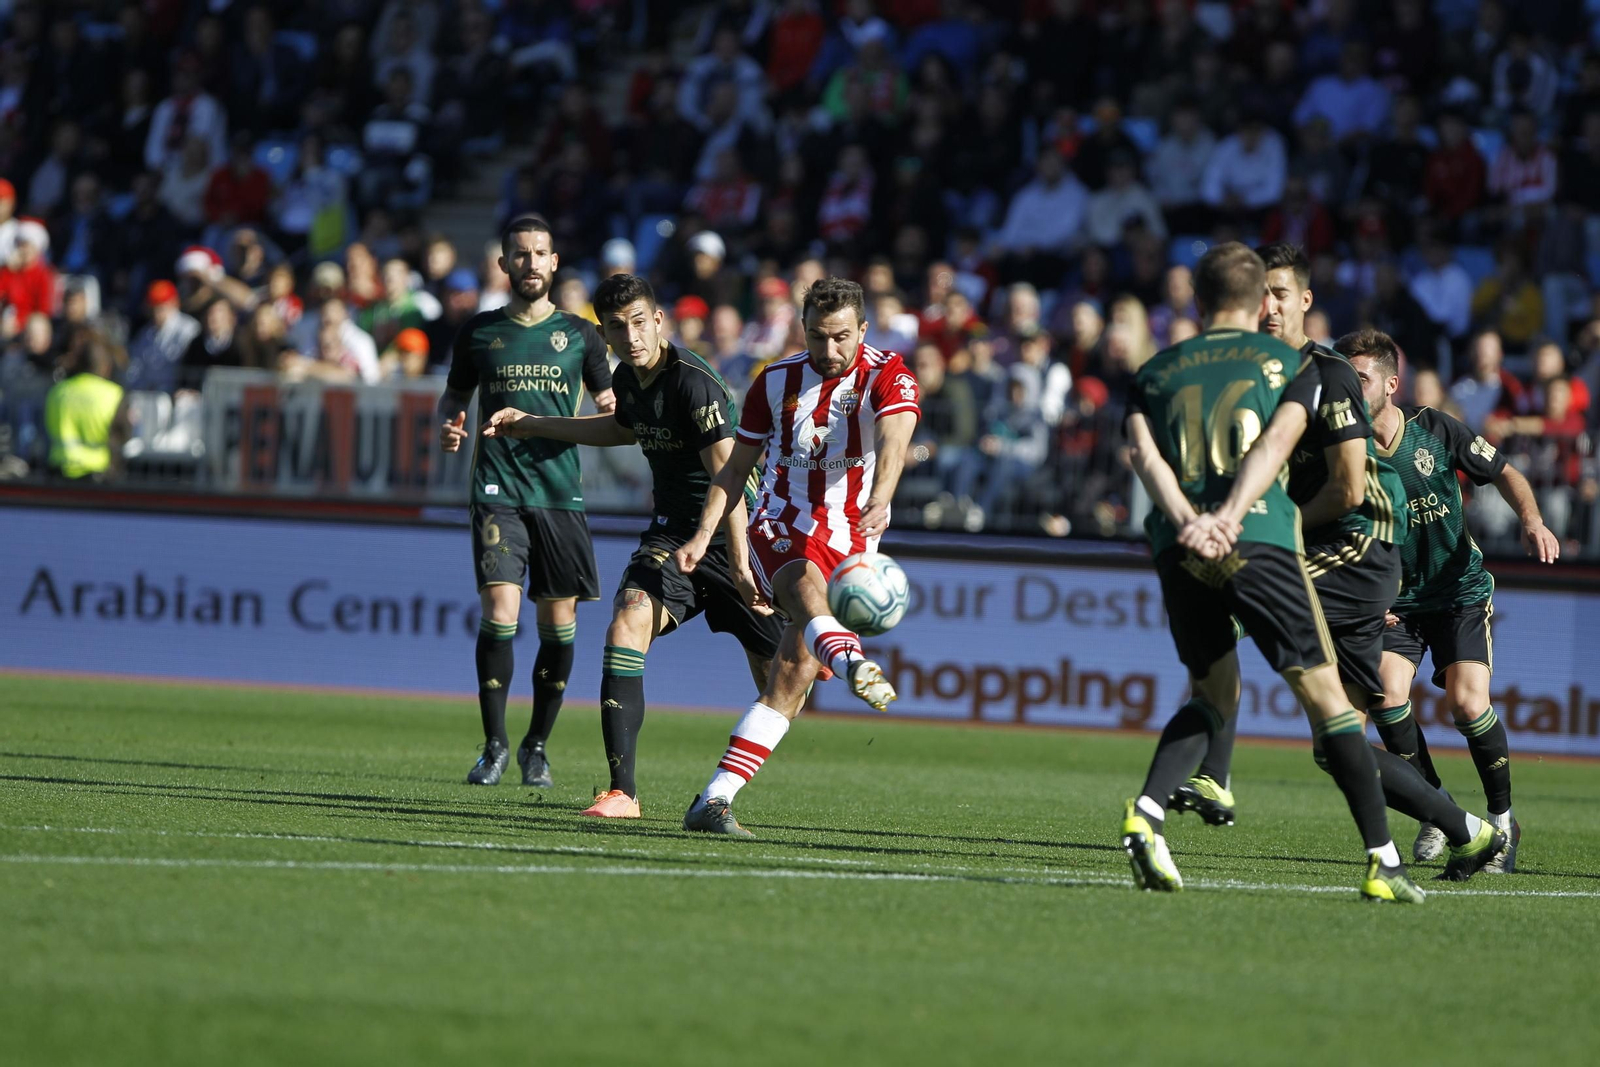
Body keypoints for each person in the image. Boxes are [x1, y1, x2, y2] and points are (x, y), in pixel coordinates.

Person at [1174, 246, 1507, 884]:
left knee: (1221, 610)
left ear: (1304, 300)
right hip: (1320, 548)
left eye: (1278, 293)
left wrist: (1265, 526)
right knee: (1338, 740)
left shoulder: (1329, 373)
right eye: (1257, 294)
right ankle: (1454, 836)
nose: (1265, 306)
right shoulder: (1256, 370)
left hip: (1352, 549)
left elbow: (1350, 488)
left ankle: (1213, 776)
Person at [1119, 241, 1421, 901]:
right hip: (1255, 538)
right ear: (1261, 300)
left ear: (1196, 301)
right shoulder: (1292, 364)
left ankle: (1145, 812)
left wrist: (1189, 520)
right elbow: (1276, 441)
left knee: (1212, 693)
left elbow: (1142, 453)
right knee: (1328, 701)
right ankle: (1383, 860)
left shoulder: (1156, 369)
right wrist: (1228, 515)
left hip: (1177, 545)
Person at [481, 274, 787, 818]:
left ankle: (729, 782)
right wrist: (532, 424)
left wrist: (740, 564)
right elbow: (622, 428)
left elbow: (732, 481)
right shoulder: (628, 379)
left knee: (782, 683)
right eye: (617, 328)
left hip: (737, 537)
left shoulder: (693, 384)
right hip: (673, 536)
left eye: (639, 323)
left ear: (659, 321)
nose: (631, 336)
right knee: (627, 620)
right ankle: (623, 792)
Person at [672, 278, 919, 836]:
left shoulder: (887, 371)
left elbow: (898, 431)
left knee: (791, 676)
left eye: (839, 339)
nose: (828, 352)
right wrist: (702, 532)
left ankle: (712, 800)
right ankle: (855, 663)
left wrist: (882, 495)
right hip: (779, 524)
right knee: (807, 592)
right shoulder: (776, 380)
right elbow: (735, 469)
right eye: (815, 337)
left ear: (862, 330)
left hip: (852, 541)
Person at [1346, 330, 1559, 872]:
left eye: (1361, 377)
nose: (1349, 387)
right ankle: (1438, 813)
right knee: (1387, 699)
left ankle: (1503, 822)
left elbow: (1506, 471)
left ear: (1391, 385)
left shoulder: (1435, 429)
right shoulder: (1344, 450)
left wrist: (1532, 520)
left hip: (1459, 591)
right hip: (1398, 603)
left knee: (1467, 705)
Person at [437, 215, 616, 788]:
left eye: (541, 253)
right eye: (521, 254)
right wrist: (450, 424)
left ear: (555, 262)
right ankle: (493, 745)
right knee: (499, 612)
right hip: (497, 489)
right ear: (504, 264)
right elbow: (453, 397)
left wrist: (616, 413)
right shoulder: (480, 332)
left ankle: (536, 745)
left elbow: (610, 404)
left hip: (560, 493)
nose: (532, 263)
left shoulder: (582, 335)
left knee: (559, 621)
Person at [45, 337, 127, 480]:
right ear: (104, 366)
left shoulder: (57, 392)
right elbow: (123, 435)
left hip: (58, 475)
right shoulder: (113, 394)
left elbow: (46, 428)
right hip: (99, 476)